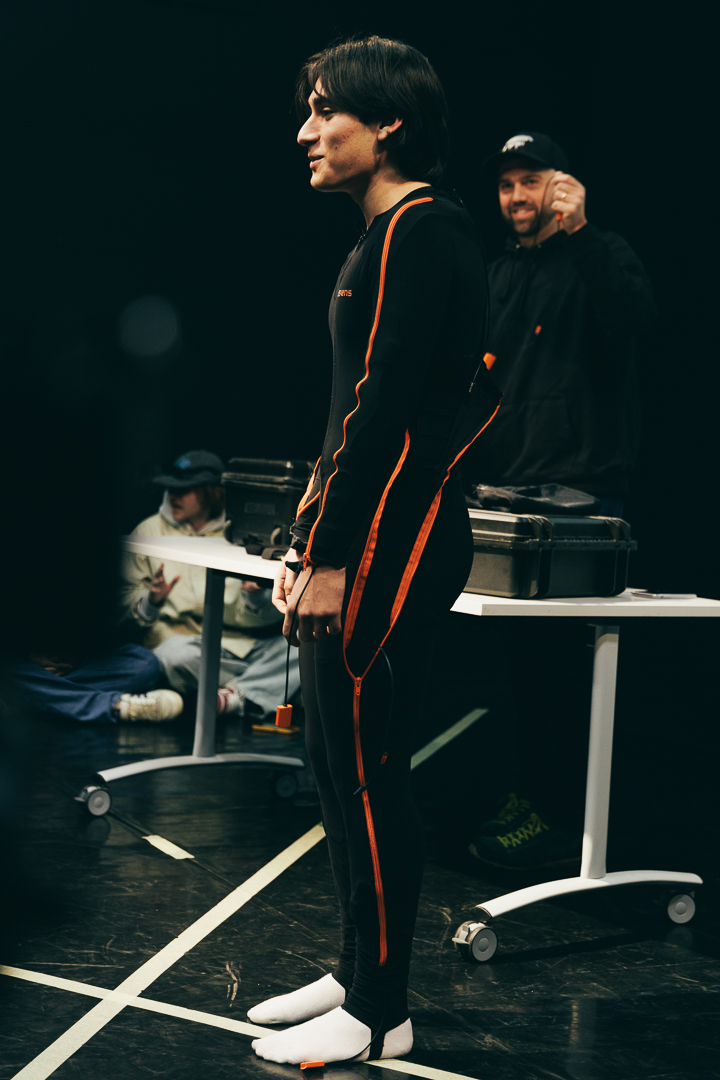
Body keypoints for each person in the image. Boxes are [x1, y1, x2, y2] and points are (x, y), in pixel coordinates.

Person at [246, 37, 500, 1068]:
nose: (306, 132)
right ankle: (358, 970)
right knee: (332, 763)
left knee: (370, 773)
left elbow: (389, 417)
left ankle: (382, 1007)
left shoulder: (423, 229)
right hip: (360, 537)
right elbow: (345, 418)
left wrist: (336, 555)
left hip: (395, 540)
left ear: (388, 121)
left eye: (325, 110)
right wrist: (302, 543)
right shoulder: (382, 237)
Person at [464, 132, 656, 868]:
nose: (517, 195)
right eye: (506, 184)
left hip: (583, 493)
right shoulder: (499, 274)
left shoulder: (600, 254)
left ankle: (568, 816)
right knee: (524, 665)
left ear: (562, 185)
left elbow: (634, 322)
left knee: (570, 667)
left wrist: (582, 236)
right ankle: (536, 797)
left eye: (530, 179)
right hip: (510, 493)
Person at [121, 449, 300, 720]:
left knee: (300, 646)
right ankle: (258, 689)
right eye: (170, 488)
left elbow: (271, 614)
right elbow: (121, 602)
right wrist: (151, 600)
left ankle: (234, 694)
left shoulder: (242, 531)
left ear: (211, 493)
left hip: (240, 645)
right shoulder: (149, 531)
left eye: (185, 490)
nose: (174, 496)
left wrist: (254, 598)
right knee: (172, 655)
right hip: (185, 647)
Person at [2, 646, 182, 722]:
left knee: (144, 661)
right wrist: (28, 655)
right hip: (19, 664)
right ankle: (116, 706)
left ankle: (48, 695)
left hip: (71, 668)